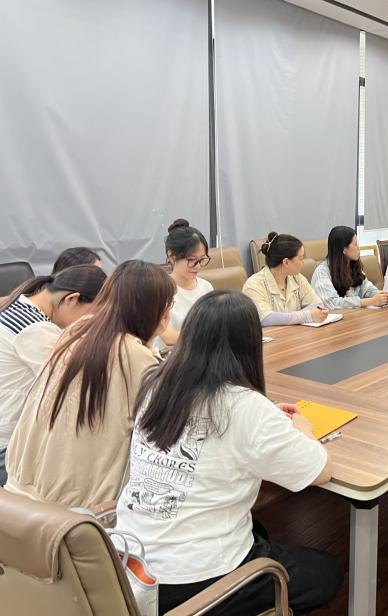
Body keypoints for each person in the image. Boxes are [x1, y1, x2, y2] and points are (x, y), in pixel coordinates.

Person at [115, 290, 341, 615]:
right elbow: (321, 471)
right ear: (249, 344)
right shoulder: (246, 407)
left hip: (130, 565)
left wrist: (264, 416)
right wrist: (303, 429)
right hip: (194, 581)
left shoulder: (155, 385)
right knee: (325, 570)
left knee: (259, 528)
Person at [4, 260, 174, 508]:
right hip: (77, 510)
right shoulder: (133, 356)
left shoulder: (76, 332)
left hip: (19, 491)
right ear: (154, 310)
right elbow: (162, 420)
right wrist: (152, 340)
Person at [0, 264, 106, 485]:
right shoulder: (36, 330)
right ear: (71, 299)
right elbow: (73, 384)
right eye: (90, 317)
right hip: (7, 446)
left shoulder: (17, 305)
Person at [243, 233, 327, 326]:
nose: (303, 262)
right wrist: (307, 316)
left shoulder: (297, 278)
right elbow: (266, 318)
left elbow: (318, 305)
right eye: (300, 259)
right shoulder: (253, 284)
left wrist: (300, 316)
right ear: (286, 262)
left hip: (295, 333)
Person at [157, 219, 214, 346]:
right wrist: (209, 337)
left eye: (202, 260)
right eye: (192, 260)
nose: (198, 266)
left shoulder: (206, 287)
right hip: (172, 355)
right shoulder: (160, 290)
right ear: (172, 256)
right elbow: (168, 337)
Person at [311, 226, 388, 309]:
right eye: (355, 244)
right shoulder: (322, 272)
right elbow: (331, 303)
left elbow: (367, 289)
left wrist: (382, 295)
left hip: (355, 315)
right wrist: (369, 301)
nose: (358, 248)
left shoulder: (352, 266)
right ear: (343, 249)